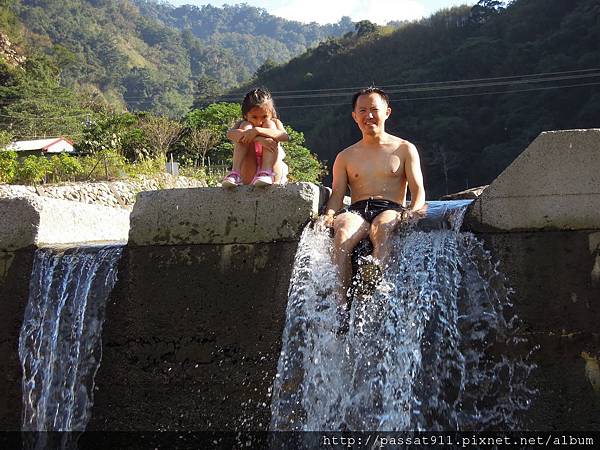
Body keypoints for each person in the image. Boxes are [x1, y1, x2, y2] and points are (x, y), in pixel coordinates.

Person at [318, 87, 426, 308]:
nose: (369, 116)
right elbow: (338, 194)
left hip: (390, 207)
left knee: (382, 228)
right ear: (354, 116)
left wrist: (414, 211)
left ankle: (374, 287)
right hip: (357, 209)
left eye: (374, 110)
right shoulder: (345, 156)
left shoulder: (404, 149)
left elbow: (418, 190)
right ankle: (341, 304)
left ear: (387, 112)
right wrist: (328, 215)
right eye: (363, 110)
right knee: (342, 233)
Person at [222, 88, 289, 187]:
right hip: (248, 170)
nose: (259, 122)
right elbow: (230, 134)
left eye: (264, 117)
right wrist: (257, 138)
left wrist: (258, 131)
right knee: (245, 127)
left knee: (269, 125)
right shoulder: (242, 123)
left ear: (271, 113)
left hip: (272, 171)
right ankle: (235, 173)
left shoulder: (275, 122)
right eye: (254, 117)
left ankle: (265, 172)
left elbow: (285, 136)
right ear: (245, 115)